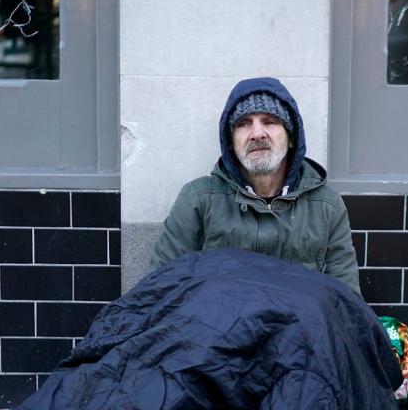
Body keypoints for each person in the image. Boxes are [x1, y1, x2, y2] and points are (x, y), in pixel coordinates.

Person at [149, 77, 361, 295]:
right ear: (230, 142)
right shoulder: (199, 199)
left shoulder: (327, 206)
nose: (257, 133)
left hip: (299, 328)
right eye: (244, 124)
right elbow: (160, 288)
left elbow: (347, 300)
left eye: (269, 121)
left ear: (291, 138)